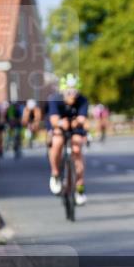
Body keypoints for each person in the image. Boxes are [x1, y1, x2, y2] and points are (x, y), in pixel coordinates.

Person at [47, 74, 90, 205]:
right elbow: (53, 119)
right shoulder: (55, 99)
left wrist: (78, 122)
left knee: (77, 150)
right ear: (63, 91)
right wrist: (60, 123)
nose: (72, 95)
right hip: (60, 126)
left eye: (75, 91)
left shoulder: (82, 100)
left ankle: (80, 188)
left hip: (75, 126)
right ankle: (55, 173)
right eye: (69, 91)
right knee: (57, 142)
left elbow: (83, 119)